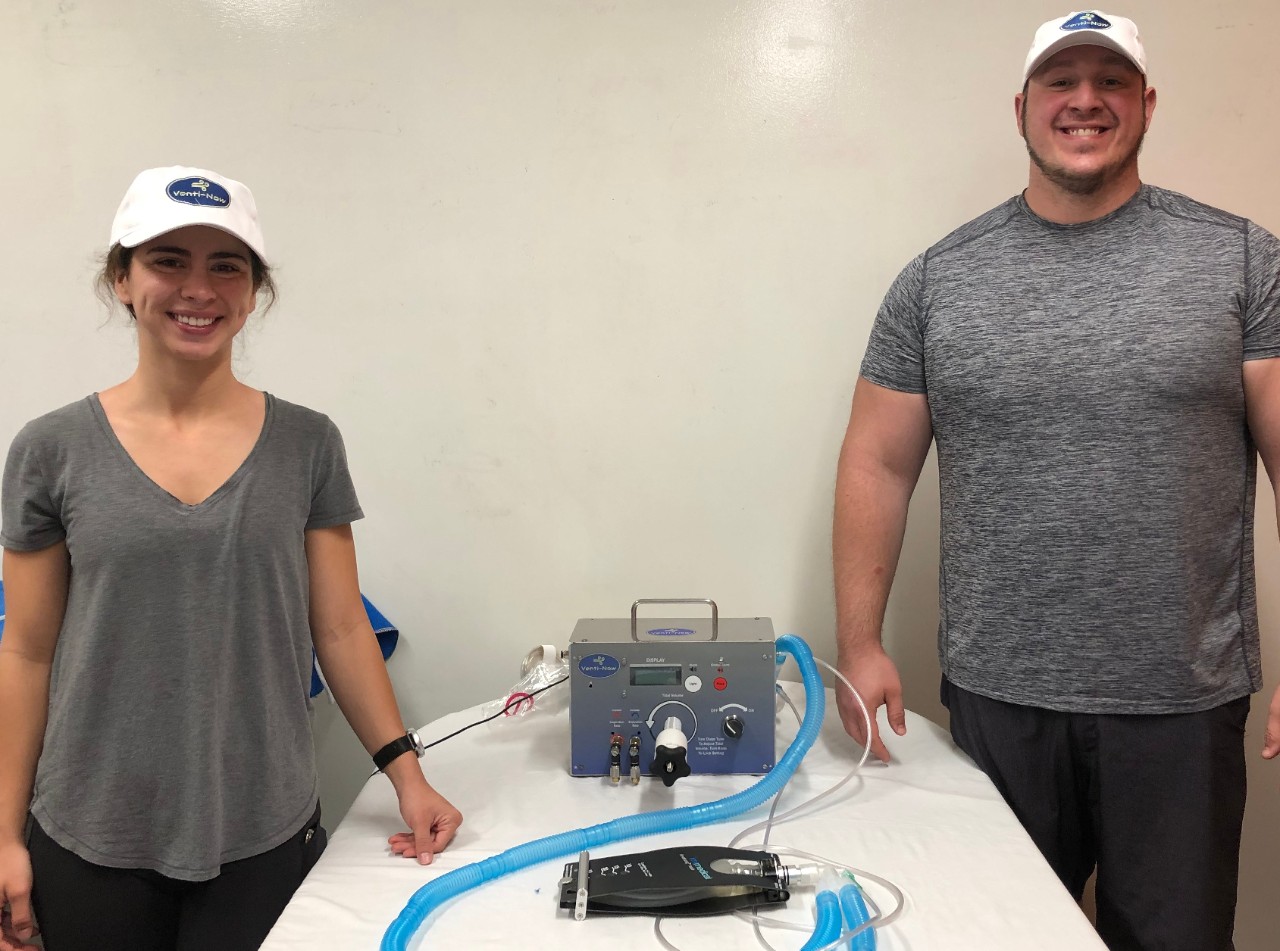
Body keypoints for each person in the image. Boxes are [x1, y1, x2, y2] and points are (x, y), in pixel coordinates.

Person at [832, 11, 1280, 951]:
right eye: (1061, 81)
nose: (1085, 100)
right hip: (1002, 701)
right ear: (1023, 108)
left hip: (1181, 704)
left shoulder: (1243, 261)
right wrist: (860, 640)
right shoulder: (938, 281)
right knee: (996, 935)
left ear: (1147, 105)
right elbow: (877, 460)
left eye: (1111, 81)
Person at [0, 166, 463, 951]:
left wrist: (406, 774)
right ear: (122, 278)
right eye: (168, 259)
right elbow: (27, 649)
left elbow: (343, 629)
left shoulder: (308, 444)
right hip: (89, 833)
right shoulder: (51, 450)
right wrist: (6, 835)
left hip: (261, 830)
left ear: (254, 292)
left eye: (226, 265)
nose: (198, 288)